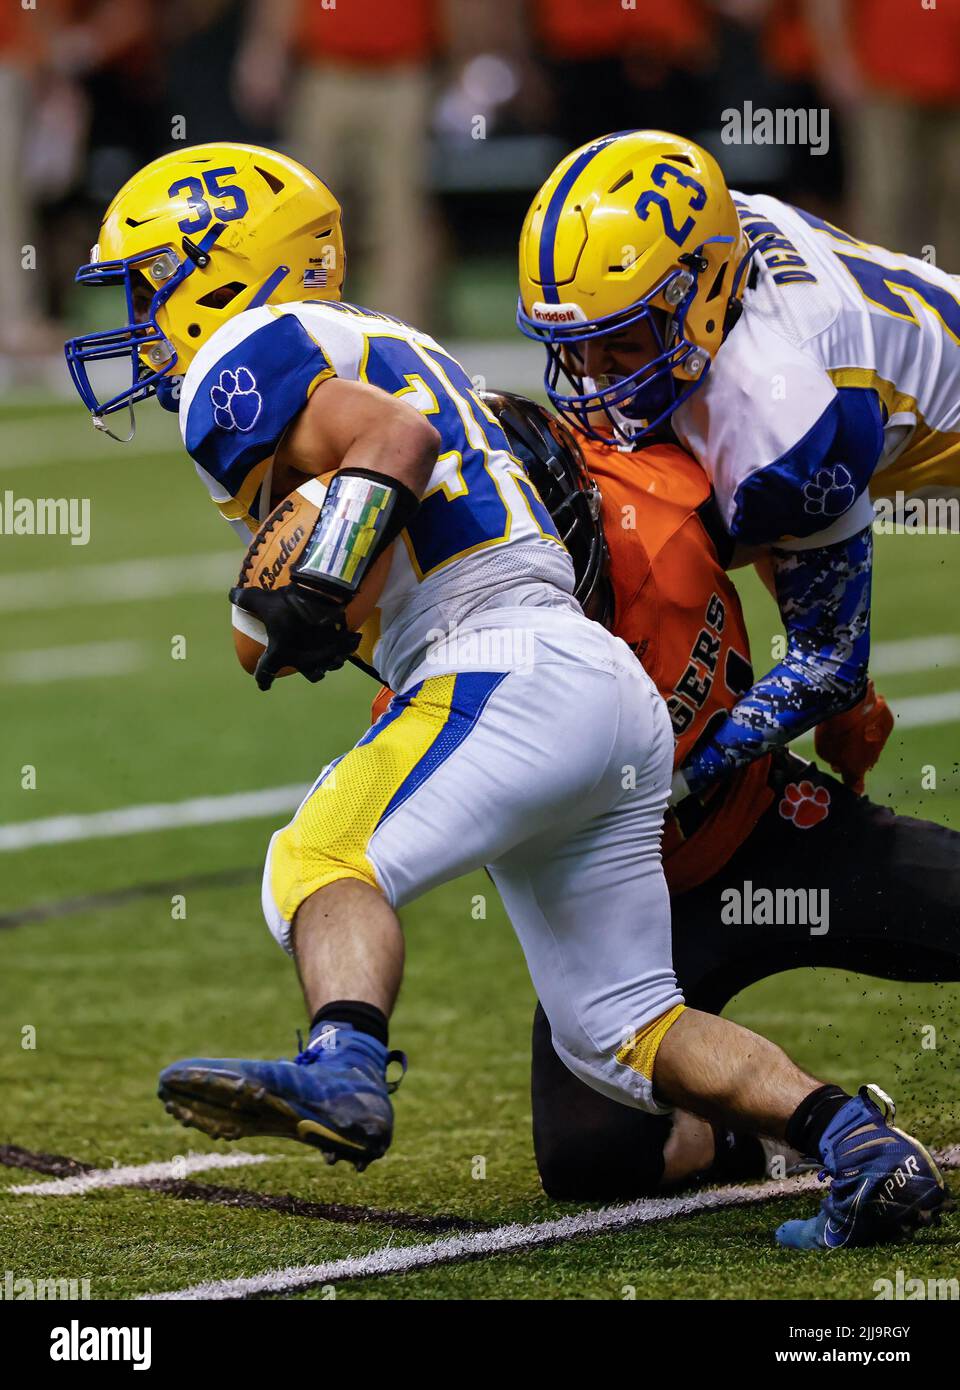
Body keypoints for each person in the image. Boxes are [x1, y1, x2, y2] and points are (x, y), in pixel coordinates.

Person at [63, 142, 948, 1250]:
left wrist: (324, 573)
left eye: (151, 284)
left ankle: (344, 1058)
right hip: (599, 698)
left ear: (221, 270)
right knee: (617, 1029)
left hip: (510, 665)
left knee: (319, 858)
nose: (141, 319)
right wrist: (302, 595)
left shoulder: (246, 350)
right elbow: (324, 567)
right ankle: (854, 1141)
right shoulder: (383, 346)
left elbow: (394, 444)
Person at [481, 393, 960, 1236]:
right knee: (592, 1159)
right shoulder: (454, 673)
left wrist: (835, 667)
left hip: (774, 826)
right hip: (627, 917)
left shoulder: (663, 498)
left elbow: (803, 508)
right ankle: (762, 1135)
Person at [516, 129, 960, 805]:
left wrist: (662, 788)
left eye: (619, 344)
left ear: (701, 290)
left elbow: (827, 666)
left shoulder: (784, 409)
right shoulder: (714, 248)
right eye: (574, 347)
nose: (591, 373)